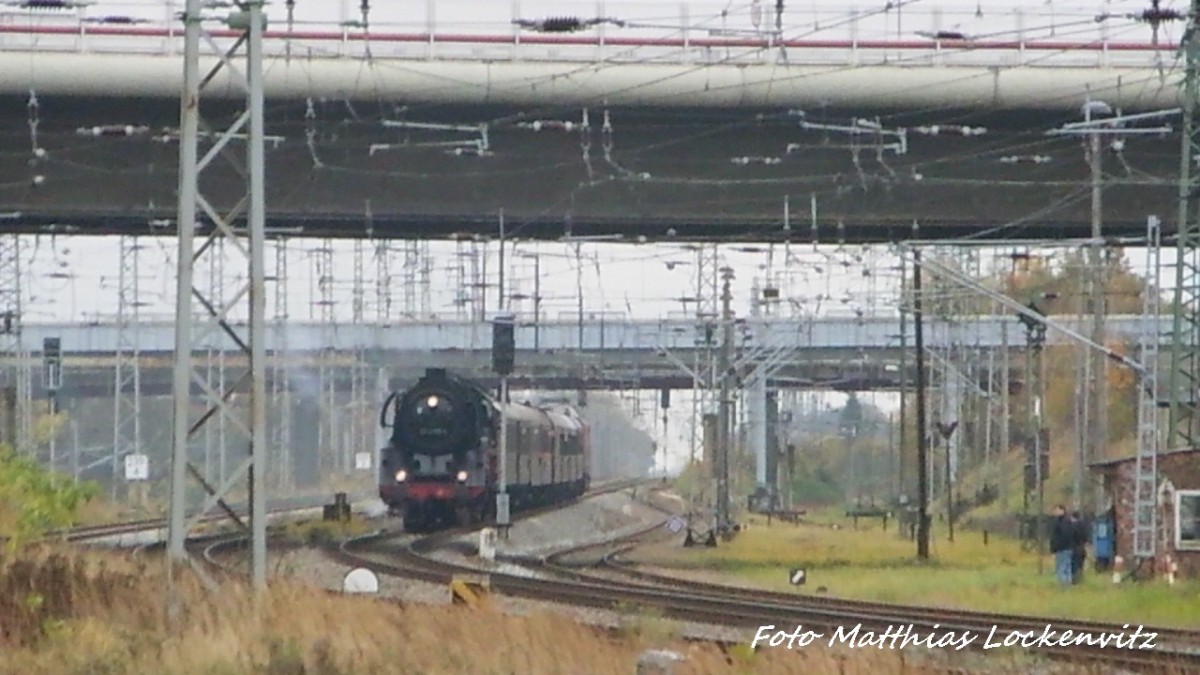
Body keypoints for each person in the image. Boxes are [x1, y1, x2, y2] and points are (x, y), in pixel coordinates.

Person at [1050, 505, 1074, 586]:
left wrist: (1056, 546)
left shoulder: (1062, 522)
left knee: (1061, 568)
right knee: (1067, 568)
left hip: (1062, 549)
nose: (1055, 512)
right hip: (1068, 548)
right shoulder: (1067, 521)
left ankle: (1063, 585)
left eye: (1057, 510)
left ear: (1062, 510)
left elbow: (1064, 535)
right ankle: (1068, 584)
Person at [1070, 511, 1088, 585]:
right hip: (1082, 547)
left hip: (1074, 547)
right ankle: (1080, 578)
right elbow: (1086, 537)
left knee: (1074, 564)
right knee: (1080, 564)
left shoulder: (1073, 526)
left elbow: (1072, 536)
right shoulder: (1083, 526)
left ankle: (1074, 580)